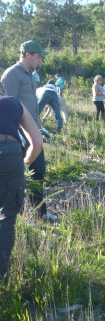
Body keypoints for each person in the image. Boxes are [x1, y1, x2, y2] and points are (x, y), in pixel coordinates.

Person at [1, 40, 58, 222]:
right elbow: (6, 106)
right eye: (38, 55)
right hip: (17, 134)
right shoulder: (12, 74)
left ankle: (40, 213)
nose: (40, 59)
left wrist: (38, 127)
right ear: (27, 54)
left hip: (32, 131)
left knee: (38, 171)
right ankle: (22, 215)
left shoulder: (30, 76)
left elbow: (31, 107)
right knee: (19, 175)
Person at [0, 95, 43, 280]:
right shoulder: (14, 103)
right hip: (9, 153)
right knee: (6, 219)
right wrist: (24, 164)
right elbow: (38, 143)